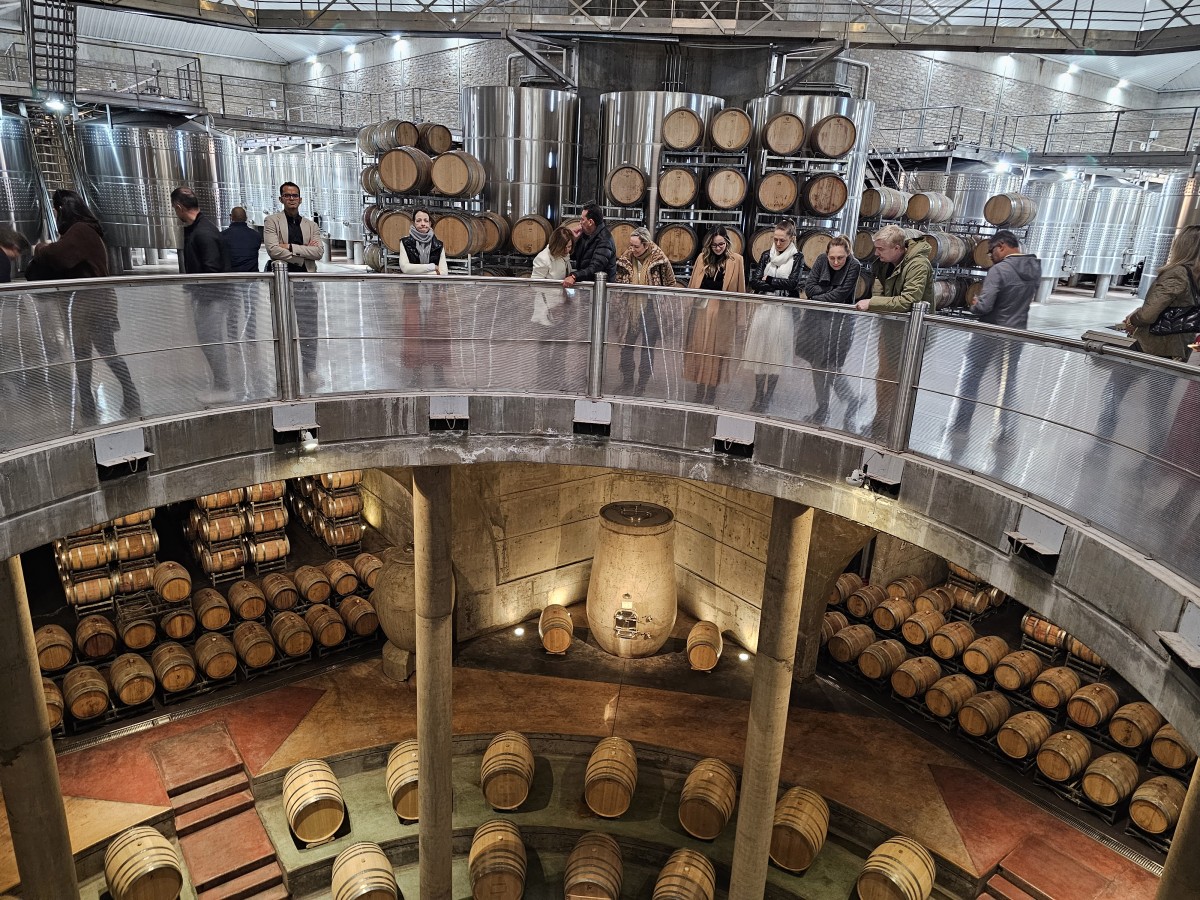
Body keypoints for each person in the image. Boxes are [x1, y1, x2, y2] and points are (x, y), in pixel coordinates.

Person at [27, 189, 140, 421]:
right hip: (92, 303)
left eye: (55, 210)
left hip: (91, 304)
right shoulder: (84, 230)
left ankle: (121, 398)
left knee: (98, 353)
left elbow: (59, 256)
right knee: (93, 354)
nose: (55, 214)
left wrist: (40, 248)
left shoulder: (79, 230)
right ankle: (99, 401)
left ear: (61, 209)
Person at [1096, 224, 1200, 444]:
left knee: (1113, 393)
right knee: (1158, 407)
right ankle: (1151, 456)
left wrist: (1133, 319)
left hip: (1149, 347)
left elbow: (1149, 314)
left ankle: (1101, 443)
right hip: (1178, 350)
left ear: (1183, 245)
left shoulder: (1177, 274)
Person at [950, 230, 1040, 440]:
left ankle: (961, 427)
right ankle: (1007, 432)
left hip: (989, 334)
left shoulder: (999, 270)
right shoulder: (1034, 267)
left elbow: (985, 306)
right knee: (1007, 384)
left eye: (991, 251)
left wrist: (975, 304)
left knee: (971, 378)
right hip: (1016, 333)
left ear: (1002, 246)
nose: (990, 256)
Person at [853, 223, 934, 435]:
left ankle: (894, 429)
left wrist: (873, 303)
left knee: (902, 381)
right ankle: (881, 423)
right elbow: (882, 287)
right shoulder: (886, 263)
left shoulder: (918, 264)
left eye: (881, 249)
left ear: (897, 248)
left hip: (912, 334)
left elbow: (909, 300)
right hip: (892, 328)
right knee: (884, 377)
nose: (876, 253)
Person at [171, 185, 232, 396]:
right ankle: (221, 384)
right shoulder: (199, 229)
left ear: (179, 207)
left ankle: (223, 386)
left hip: (212, 299)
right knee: (209, 340)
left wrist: (200, 293)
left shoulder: (203, 232)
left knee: (211, 340)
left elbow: (212, 271)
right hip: (209, 298)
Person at [800, 234, 863, 422]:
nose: (836, 262)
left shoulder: (854, 265)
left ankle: (825, 408)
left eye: (840, 258)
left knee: (829, 364)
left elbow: (841, 294)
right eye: (832, 257)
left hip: (839, 322)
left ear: (848, 254)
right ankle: (844, 402)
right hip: (816, 319)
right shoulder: (821, 260)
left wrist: (817, 297)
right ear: (827, 254)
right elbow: (809, 288)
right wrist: (827, 293)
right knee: (817, 363)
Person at [265, 182, 325, 377]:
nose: (291, 198)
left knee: (309, 328)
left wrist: (290, 247)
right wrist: (302, 255)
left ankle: (310, 368)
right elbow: (273, 250)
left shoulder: (311, 225)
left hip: (306, 282)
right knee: (283, 327)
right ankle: (286, 369)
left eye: (295, 195)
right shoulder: (272, 221)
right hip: (281, 283)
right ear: (281, 199)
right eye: (287, 195)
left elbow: (318, 252)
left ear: (300, 199)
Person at [745, 219, 805, 413]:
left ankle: (768, 396)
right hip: (764, 309)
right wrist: (774, 282)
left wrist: (769, 279)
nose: (778, 243)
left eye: (782, 240)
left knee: (775, 356)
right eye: (775, 239)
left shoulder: (797, 258)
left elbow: (793, 283)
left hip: (783, 311)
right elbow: (754, 281)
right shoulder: (766, 255)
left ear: (791, 238)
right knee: (760, 353)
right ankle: (757, 395)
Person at [684, 226, 746, 405]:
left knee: (717, 352)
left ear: (727, 242)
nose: (718, 248)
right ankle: (699, 389)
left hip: (723, 314)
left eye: (721, 244)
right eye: (714, 245)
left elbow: (740, 290)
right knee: (700, 349)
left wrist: (740, 320)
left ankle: (711, 391)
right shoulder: (702, 258)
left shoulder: (737, 260)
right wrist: (688, 307)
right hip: (701, 310)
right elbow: (693, 285)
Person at [613, 226, 676, 395]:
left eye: (636, 246)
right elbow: (618, 281)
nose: (632, 249)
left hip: (651, 309)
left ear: (646, 245)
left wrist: (662, 301)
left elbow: (671, 282)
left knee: (647, 348)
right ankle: (627, 381)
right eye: (631, 245)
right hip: (630, 309)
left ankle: (641, 384)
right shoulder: (626, 258)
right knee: (627, 347)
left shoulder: (660, 259)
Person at [399, 209, 450, 381]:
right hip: (413, 294)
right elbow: (405, 268)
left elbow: (443, 273)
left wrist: (423, 271)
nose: (422, 224)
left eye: (426, 220)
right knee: (414, 332)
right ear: (413, 223)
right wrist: (431, 267)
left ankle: (438, 371)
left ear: (430, 223)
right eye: (419, 220)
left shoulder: (438, 244)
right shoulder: (405, 243)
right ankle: (416, 372)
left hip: (434, 295)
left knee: (436, 332)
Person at [531, 226, 577, 386]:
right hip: (547, 311)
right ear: (557, 245)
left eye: (570, 246)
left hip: (562, 310)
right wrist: (557, 295)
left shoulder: (564, 255)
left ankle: (559, 380)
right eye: (565, 247)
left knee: (561, 349)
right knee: (544, 349)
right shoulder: (543, 259)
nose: (568, 250)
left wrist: (569, 298)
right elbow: (535, 285)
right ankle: (543, 381)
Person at [564, 203, 616, 289]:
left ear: (590, 222)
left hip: (600, 289)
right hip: (588, 287)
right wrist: (573, 240)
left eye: (582, 219)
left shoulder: (604, 240)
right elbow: (572, 256)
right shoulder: (586, 235)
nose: (580, 222)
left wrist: (574, 276)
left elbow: (595, 268)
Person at [221, 207, 262, 273]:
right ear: (246, 218)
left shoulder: (222, 236)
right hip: (252, 276)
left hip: (230, 276)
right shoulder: (256, 235)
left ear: (231, 217)